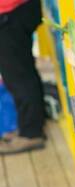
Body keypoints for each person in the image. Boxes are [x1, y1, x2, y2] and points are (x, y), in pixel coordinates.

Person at [0, 0, 45, 154]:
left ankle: (31, 133)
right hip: (17, 10)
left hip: (12, 12)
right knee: (21, 72)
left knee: (19, 76)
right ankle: (28, 126)